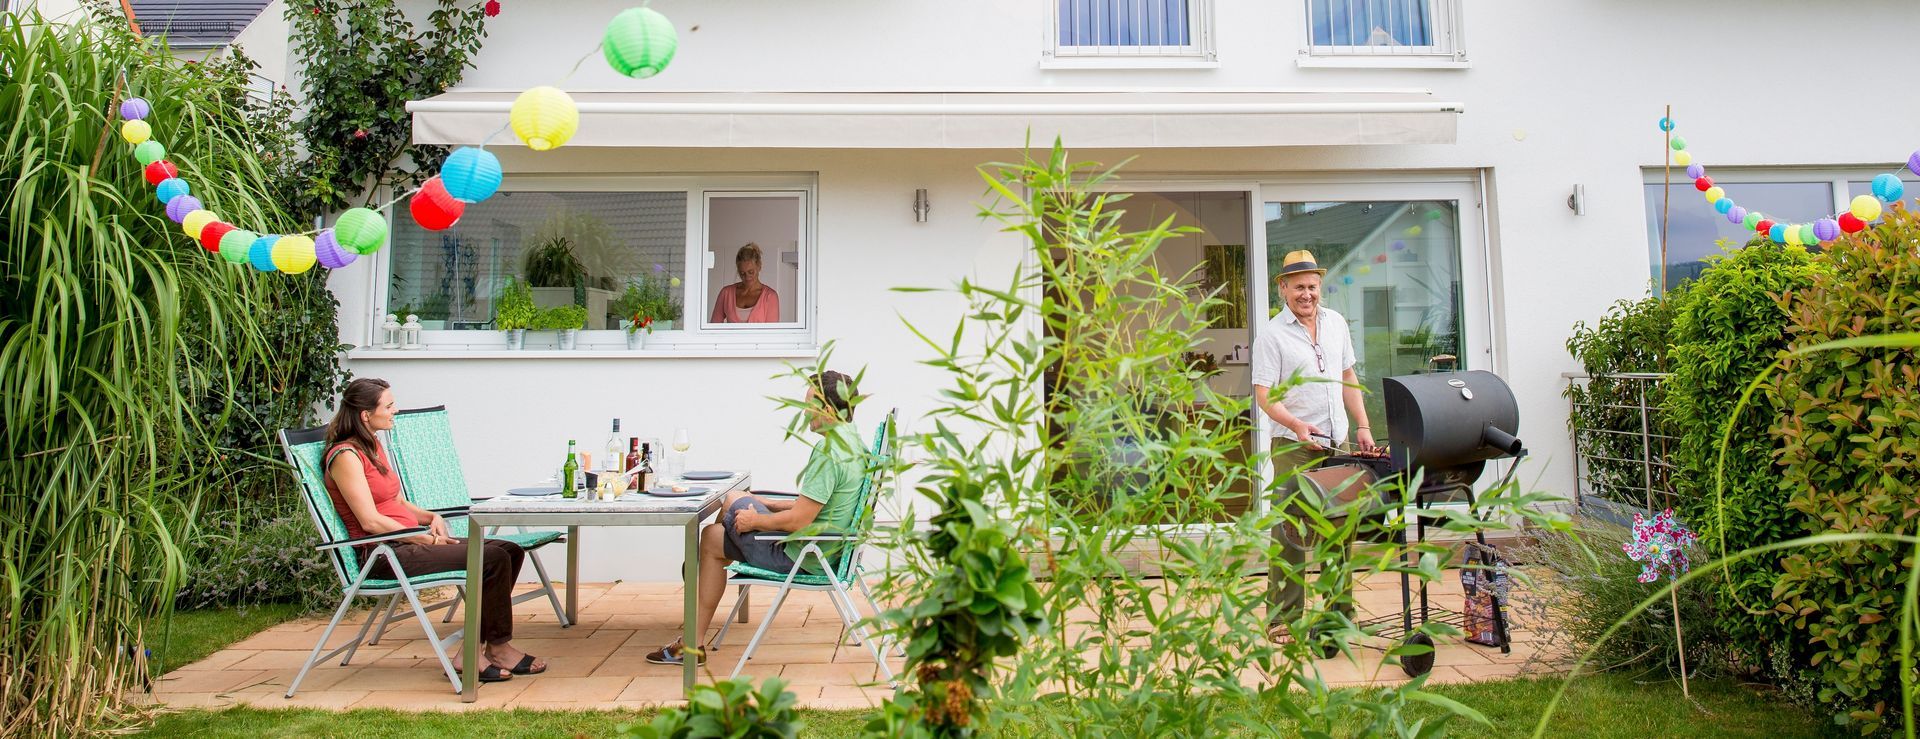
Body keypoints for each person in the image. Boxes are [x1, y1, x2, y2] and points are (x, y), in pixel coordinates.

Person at [323, 378, 546, 683]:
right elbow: (370, 521)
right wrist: (421, 536)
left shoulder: (372, 444)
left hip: (409, 541)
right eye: (388, 406)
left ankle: (485, 648)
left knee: (508, 549)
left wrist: (430, 517)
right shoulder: (346, 456)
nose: (394, 411)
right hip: (384, 552)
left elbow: (395, 500)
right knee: (491, 557)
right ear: (365, 414)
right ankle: (489, 650)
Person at [645, 370, 869, 666]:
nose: (804, 414)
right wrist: (770, 504)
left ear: (828, 409)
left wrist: (756, 522)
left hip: (803, 555)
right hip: (827, 548)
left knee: (719, 526)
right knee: (727, 515)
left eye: (809, 405)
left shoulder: (829, 451)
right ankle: (696, 613)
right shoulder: (853, 443)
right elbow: (818, 506)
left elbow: (799, 521)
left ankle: (693, 631)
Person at [1251, 249, 1376, 640]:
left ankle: (1340, 612)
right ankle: (1281, 618)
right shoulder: (1272, 335)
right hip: (1294, 445)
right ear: (1283, 289)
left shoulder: (1336, 323)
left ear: (1320, 287)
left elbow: (1348, 375)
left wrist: (1363, 425)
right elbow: (1264, 394)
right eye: (1299, 286)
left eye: (1313, 286)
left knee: (1339, 528)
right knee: (1289, 531)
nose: (1307, 293)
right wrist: (1295, 424)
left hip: (1336, 446)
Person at [709, 243, 781, 323]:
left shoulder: (770, 296)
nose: (747, 277)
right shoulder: (726, 293)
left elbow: (771, 334)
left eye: (751, 272)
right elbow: (714, 326)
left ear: (759, 266)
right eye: (742, 273)